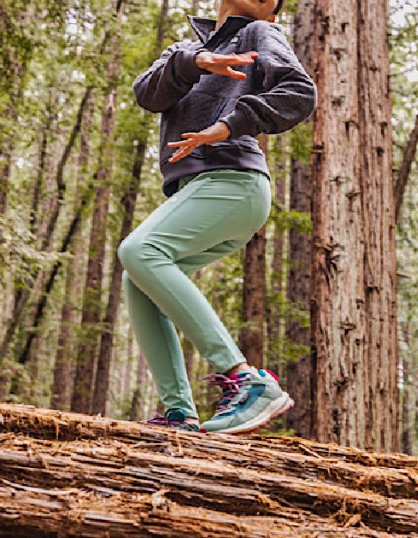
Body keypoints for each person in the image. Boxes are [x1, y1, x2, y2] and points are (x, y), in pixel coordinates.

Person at [123, 0, 316, 433]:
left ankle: (243, 379)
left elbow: (300, 92)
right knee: (137, 274)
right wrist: (195, 61)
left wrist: (231, 124)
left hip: (233, 179)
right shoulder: (186, 48)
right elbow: (146, 93)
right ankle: (179, 414)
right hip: (197, 188)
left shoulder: (260, 34)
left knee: (140, 249)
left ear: (270, 7)